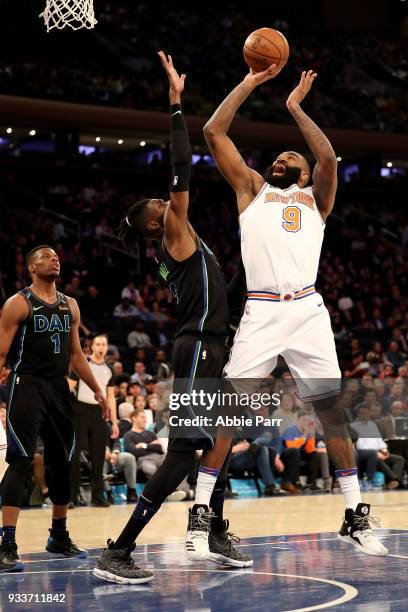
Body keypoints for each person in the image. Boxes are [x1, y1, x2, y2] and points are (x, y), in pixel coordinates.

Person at [204, 66, 387, 555]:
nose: (280, 158)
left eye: (289, 156)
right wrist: (249, 82)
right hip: (262, 310)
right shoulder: (252, 191)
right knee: (230, 411)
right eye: (279, 155)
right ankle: (201, 518)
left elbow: (327, 155)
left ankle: (355, 515)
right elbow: (213, 132)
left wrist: (294, 107)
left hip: (307, 309)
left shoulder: (316, 199)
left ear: (302, 173)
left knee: (332, 414)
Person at [93, 52, 251, 586]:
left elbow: (226, 296)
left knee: (221, 436)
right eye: (160, 203)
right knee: (186, 451)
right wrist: (177, 106)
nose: (168, 198)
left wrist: (258, 258)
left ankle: (213, 527)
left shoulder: (182, 242)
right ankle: (121, 548)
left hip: (209, 341)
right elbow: (183, 167)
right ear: (156, 222)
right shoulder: (174, 232)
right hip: (198, 345)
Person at [0, 245, 109, 571]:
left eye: (56, 256)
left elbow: (76, 355)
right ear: (31, 267)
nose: (55, 259)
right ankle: (6, 543)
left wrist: (96, 389)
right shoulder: (18, 303)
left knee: (63, 461)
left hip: (60, 387)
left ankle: (58, 535)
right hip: (26, 385)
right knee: (20, 460)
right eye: (46, 257)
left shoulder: (69, 305)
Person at [69, 334, 119, 508]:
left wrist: (114, 422)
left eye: (104, 344)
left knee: (98, 457)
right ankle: (72, 497)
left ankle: (98, 496)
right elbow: (69, 387)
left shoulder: (109, 369)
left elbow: (110, 396)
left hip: (99, 414)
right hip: (80, 411)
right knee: (74, 455)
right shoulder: (83, 364)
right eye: (97, 344)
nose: (100, 347)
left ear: (107, 347)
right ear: (92, 347)